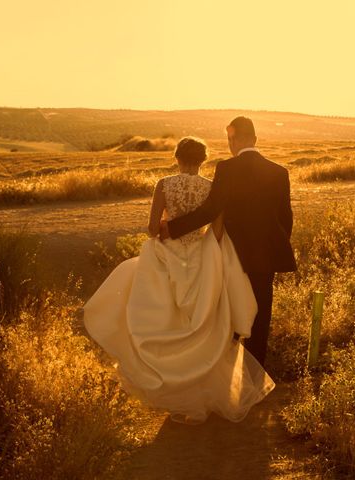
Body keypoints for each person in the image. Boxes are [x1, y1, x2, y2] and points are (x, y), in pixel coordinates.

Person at [83, 136, 274, 424]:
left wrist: (166, 228)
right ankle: (203, 394)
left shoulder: (164, 184)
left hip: (166, 258)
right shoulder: (211, 187)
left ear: (176, 157)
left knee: (165, 322)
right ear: (203, 160)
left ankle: (174, 390)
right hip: (199, 259)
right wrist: (201, 246)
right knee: (200, 327)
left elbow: (150, 229)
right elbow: (218, 232)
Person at [160, 117, 297, 370]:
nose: (230, 144)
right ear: (255, 139)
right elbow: (286, 217)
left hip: (234, 252)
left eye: (230, 139)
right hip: (265, 254)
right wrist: (276, 245)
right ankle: (256, 374)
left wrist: (173, 228)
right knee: (261, 312)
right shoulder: (279, 172)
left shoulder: (227, 168)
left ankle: (229, 370)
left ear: (237, 139)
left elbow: (211, 210)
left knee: (232, 308)